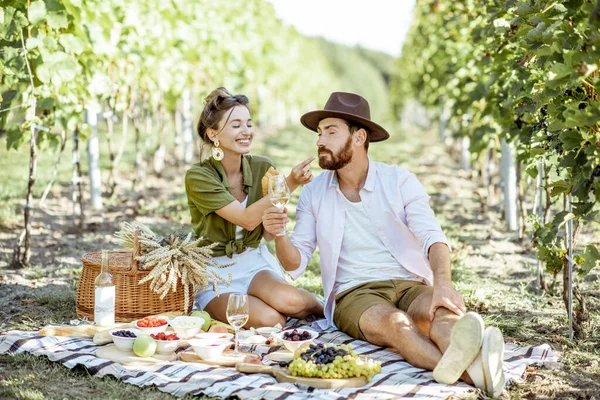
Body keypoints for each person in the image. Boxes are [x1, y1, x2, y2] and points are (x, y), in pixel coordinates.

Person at [262, 92, 506, 397]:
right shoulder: (314, 193)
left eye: (331, 131)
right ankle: (476, 375)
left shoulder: (399, 181)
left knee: (442, 315)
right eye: (319, 132)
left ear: (359, 137)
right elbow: (294, 262)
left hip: (409, 283)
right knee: (397, 325)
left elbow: (433, 237)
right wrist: (280, 234)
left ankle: (468, 357)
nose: (320, 141)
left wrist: (442, 284)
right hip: (354, 293)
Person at [185, 87, 324, 328]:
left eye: (249, 124)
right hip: (215, 273)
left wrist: (276, 220)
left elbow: (268, 233)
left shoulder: (263, 167)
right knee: (271, 319)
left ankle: (334, 309)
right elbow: (247, 219)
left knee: (291, 301)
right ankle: (260, 306)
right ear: (213, 133)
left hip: (253, 263)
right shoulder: (198, 176)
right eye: (236, 125)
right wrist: (290, 183)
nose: (246, 131)